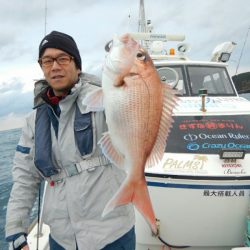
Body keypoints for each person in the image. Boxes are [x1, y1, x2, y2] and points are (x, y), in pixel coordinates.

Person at [5, 31, 135, 250]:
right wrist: (16, 230)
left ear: (77, 64)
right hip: (62, 238)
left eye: (62, 58)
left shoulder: (105, 98)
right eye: (47, 60)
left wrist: (131, 56)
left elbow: (133, 108)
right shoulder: (33, 121)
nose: (55, 66)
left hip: (112, 234)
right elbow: (25, 178)